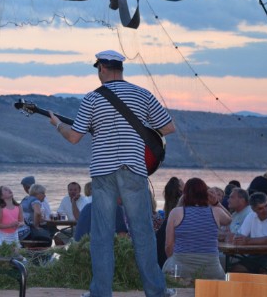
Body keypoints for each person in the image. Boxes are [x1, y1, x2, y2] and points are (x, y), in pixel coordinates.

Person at [49, 49, 177, 297]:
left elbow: (74, 137)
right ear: (121, 68)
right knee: (143, 233)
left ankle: (100, 292)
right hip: (134, 169)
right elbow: (168, 127)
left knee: (101, 235)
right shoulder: (142, 94)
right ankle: (156, 291)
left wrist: (58, 125)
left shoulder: (92, 98)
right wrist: (140, 134)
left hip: (103, 172)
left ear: (102, 68)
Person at [162, 177, 231, 282]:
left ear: (185, 194)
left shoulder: (176, 213)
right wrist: (216, 203)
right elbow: (229, 219)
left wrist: (173, 260)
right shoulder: (216, 212)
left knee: (166, 268)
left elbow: (168, 245)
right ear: (205, 194)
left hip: (182, 268)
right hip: (211, 269)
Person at [229, 192, 267, 274]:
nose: (265, 210)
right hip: (255, 255)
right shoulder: (251, 215)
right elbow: (240, 235)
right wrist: (237, 239)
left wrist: (246, 241)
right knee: (236, 270)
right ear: (253, 209)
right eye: (260, 208)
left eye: (266, 205)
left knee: (263, 271)